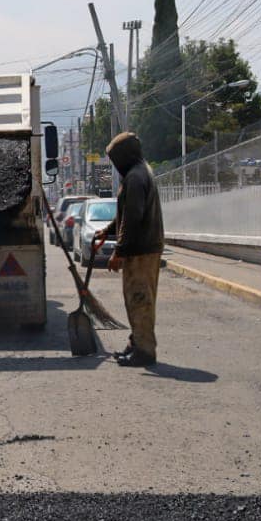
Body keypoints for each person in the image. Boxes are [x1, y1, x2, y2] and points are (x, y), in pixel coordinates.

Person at [95, 131, 165, 367]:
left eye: (115, 160)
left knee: (140, 299)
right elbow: (125, 215)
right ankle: (136, 344)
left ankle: (145, 351)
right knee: (135, 299)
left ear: (124, 157)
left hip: (141, 250)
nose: (115, 166)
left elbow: (133, 219)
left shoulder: (135, 178)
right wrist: (107, 230)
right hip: (143, 248)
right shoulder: (139, 172)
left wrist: (118, 252)